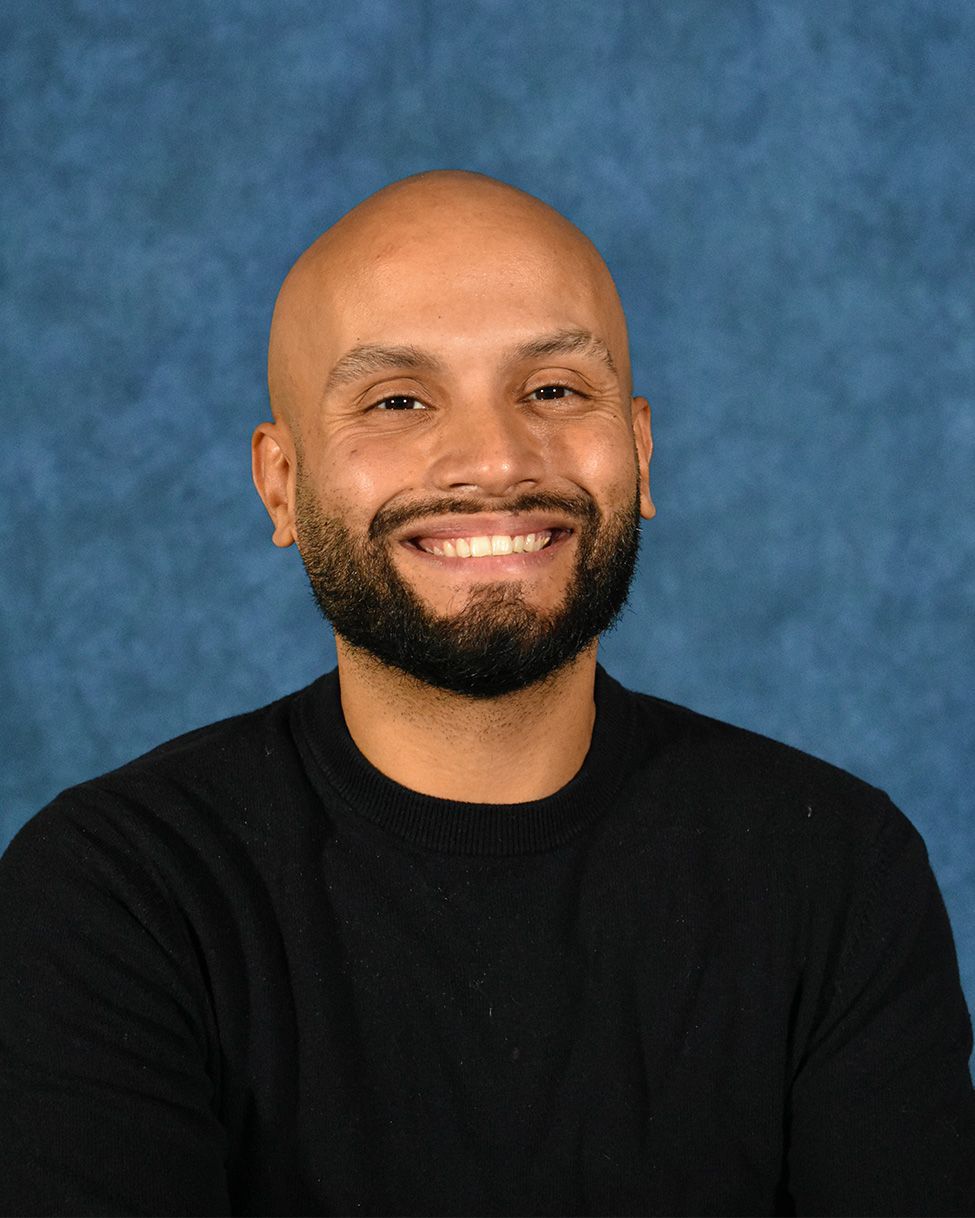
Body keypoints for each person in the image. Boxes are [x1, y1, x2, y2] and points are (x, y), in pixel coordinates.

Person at [0, 171, 971, 1218]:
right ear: (282, 484)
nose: (495, 459)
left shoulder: (835, 867)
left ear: (638, 452)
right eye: (399, 401)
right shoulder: (118, 893)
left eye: (553, 389)